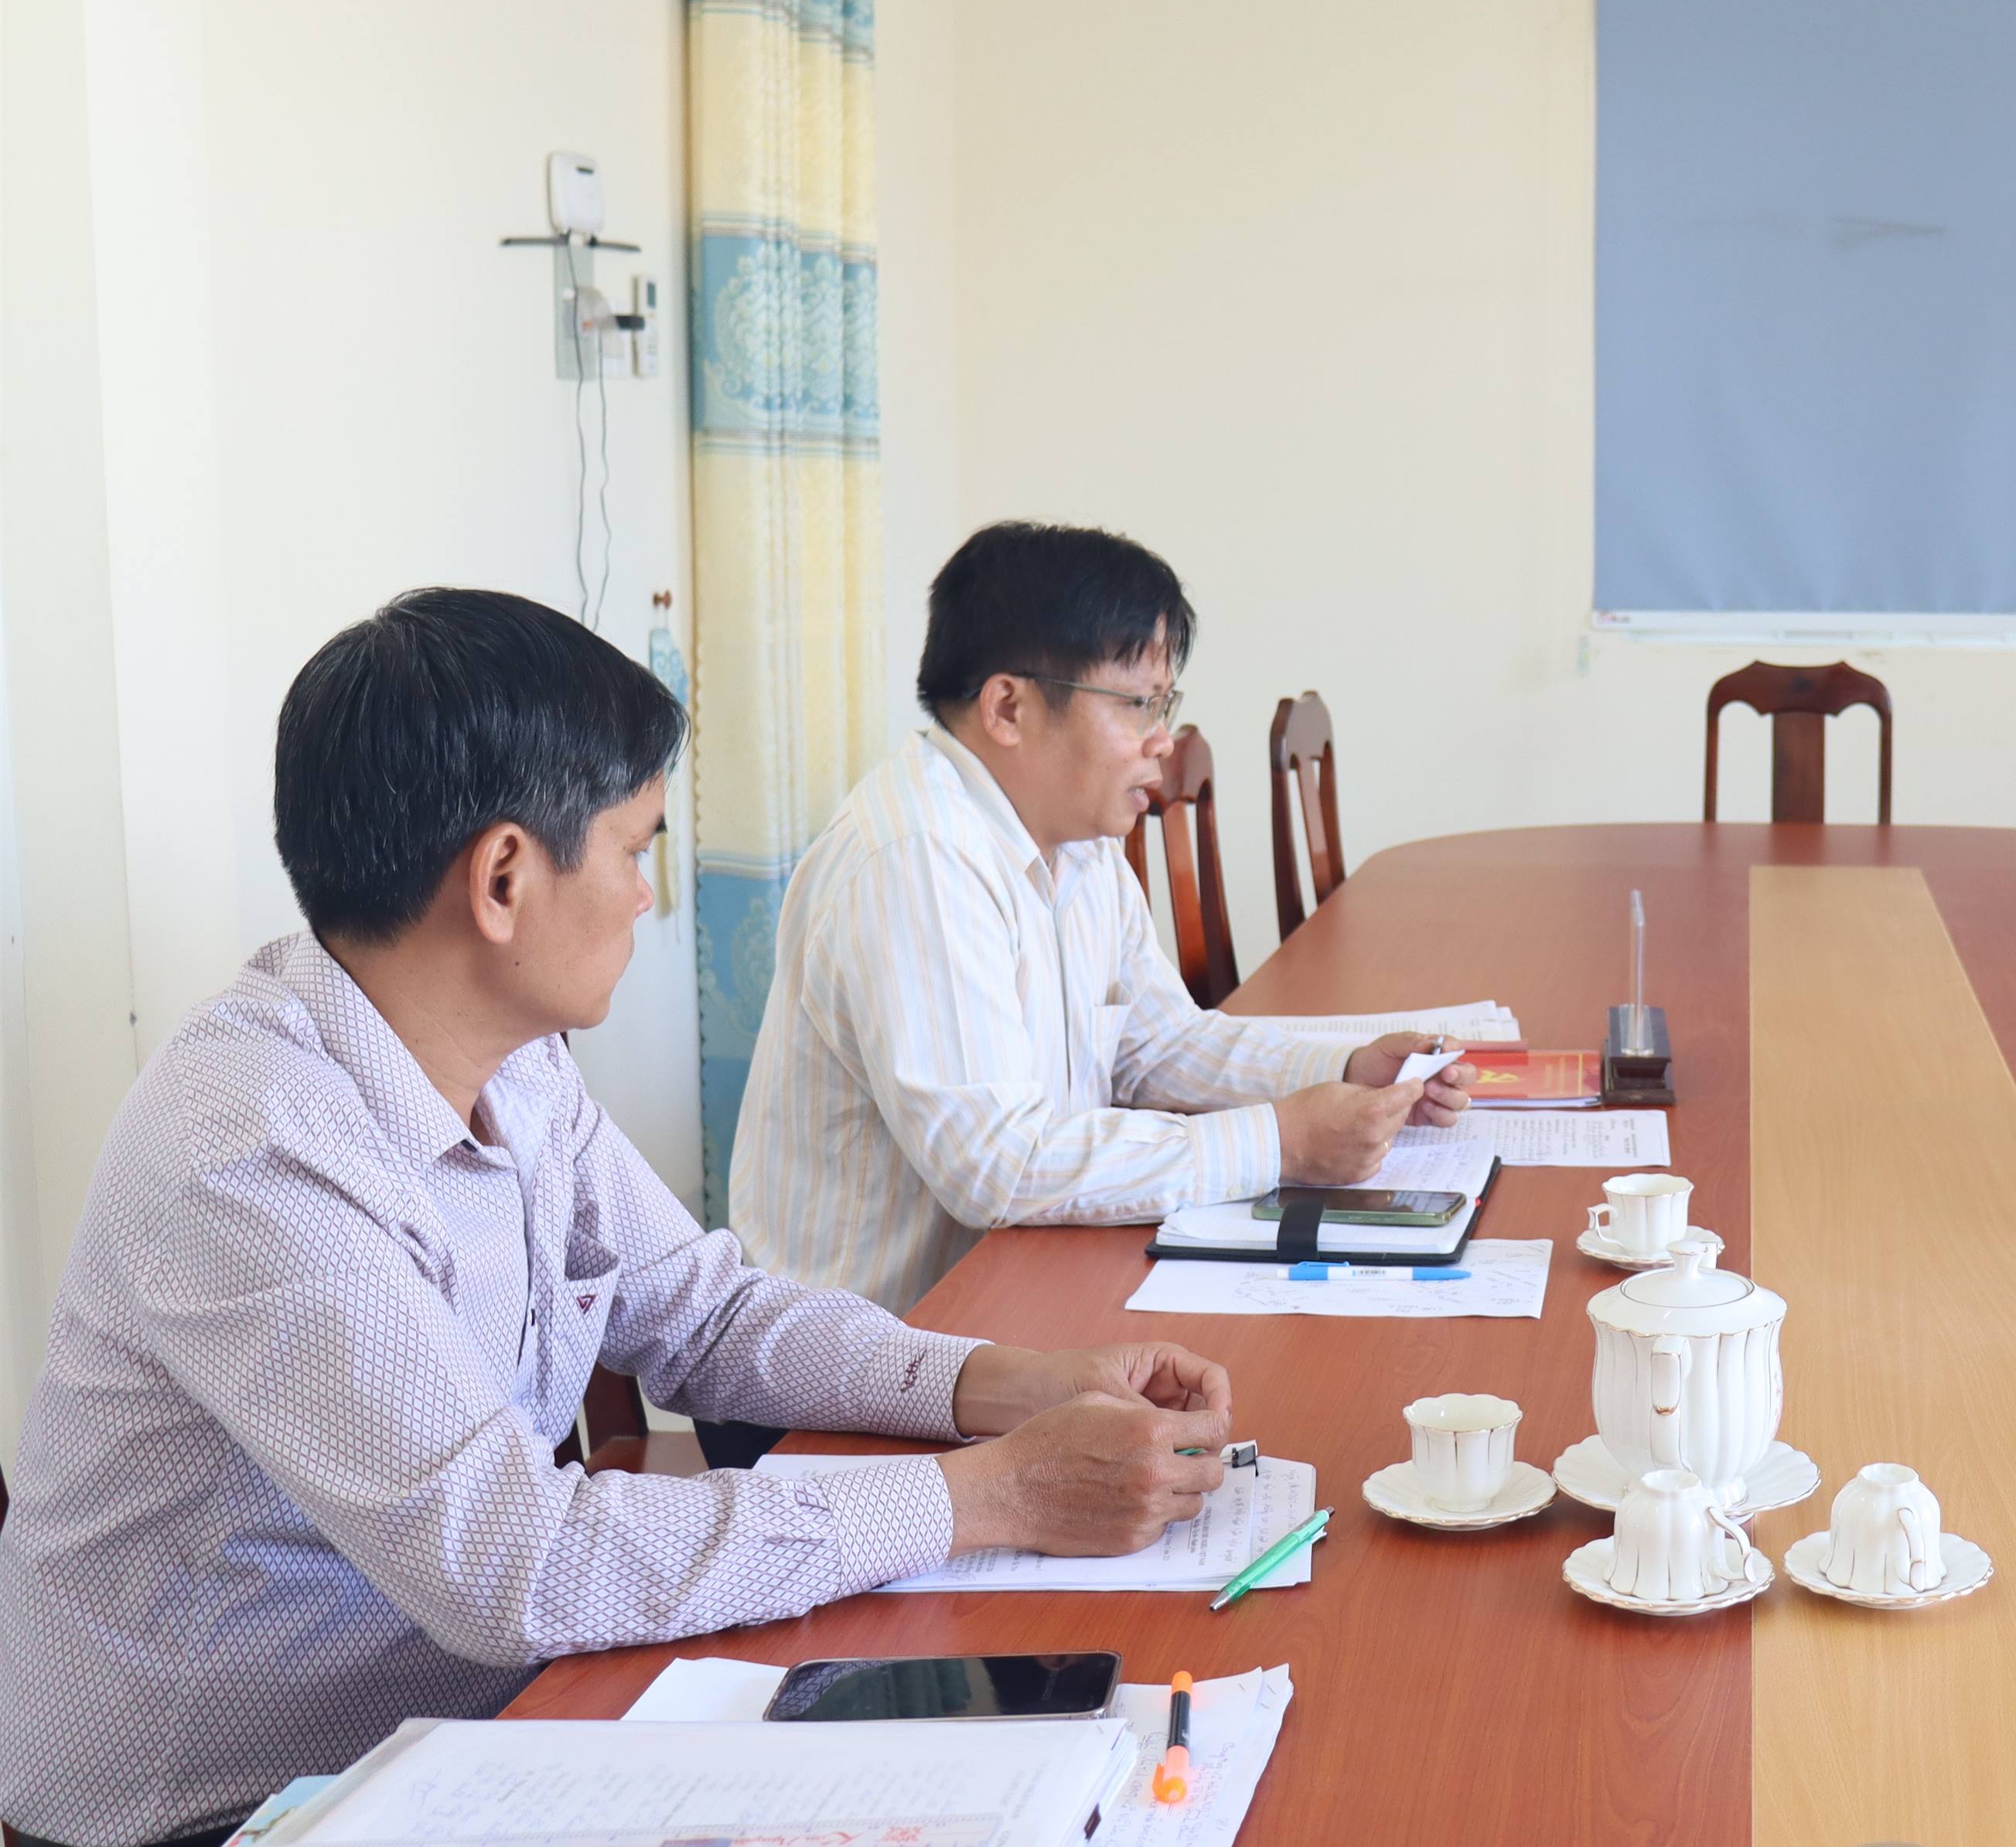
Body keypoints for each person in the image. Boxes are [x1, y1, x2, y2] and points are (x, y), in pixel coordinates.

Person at [0, 591, 1238, 1847]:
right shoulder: (254, 1150)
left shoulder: (515, 1062)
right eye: (635, 850)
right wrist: (994, 1496)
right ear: (503, 878)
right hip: (229, 1810)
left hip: (476, 1729)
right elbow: (519, 1563)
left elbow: (707, 1314)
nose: (647, 898)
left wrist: (1011, 1383)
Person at [725, 522, 1470, 1358]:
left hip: (1007, 1304)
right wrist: (1284, 1140)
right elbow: (999, 1167)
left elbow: (1157, 1046)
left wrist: (1343, 1069)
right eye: (1137, 703)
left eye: (1165, 703)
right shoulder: (916, 858)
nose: (1164, 738)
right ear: (1008, 708)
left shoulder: (1075, 840)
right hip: (848, 1365)